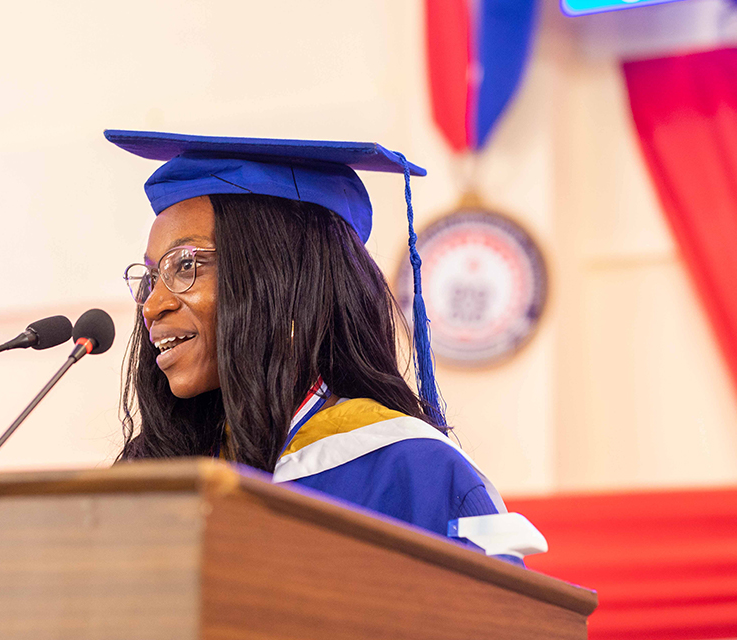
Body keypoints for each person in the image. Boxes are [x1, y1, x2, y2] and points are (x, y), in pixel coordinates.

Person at [106, 129, 528, 561]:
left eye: (186, 265)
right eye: (151, 276)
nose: (152, 304)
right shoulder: (164, 473)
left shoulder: (416, 474)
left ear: (282, 281)